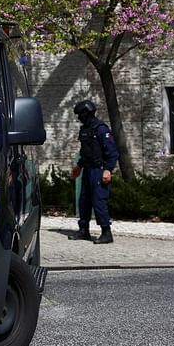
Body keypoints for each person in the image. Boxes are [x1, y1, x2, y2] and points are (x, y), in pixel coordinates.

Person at [68, 99, 119, 244]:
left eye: (80, 114)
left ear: (87, 113)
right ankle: (84, 230)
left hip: (99, 170)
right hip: (87, 170)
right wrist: (79, 166)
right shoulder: (85, 130)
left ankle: (106, 233)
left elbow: (112, 152)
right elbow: (86, 152)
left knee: (99, 201)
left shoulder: (101, 129)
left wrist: (108, 169)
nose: (79, 118)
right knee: (84, 201)